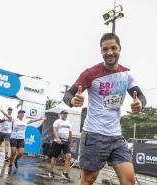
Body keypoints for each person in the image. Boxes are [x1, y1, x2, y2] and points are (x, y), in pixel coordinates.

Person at [63, 33, 147, 185]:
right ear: (101, 51)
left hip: (116, 136)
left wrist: (140, 104)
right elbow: (68, 94)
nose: (109, 52)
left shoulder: (126, 74)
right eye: (105, 49)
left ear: (120, 49)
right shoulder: (90, 73)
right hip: (94, 135)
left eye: (113, 48)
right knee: (89, 179)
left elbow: (141, 96)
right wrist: (73, 100)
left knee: (129, 180)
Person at [8, 109, 45, 174]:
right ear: (18, 114)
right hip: (13, 138)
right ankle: (10, 164)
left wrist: (40, 118)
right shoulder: (14, 119)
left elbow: (32, 120)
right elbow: (8, 116)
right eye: (21, 113)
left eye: (23, 113)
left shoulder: (25, 120)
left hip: (21, 139)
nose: (22, 114)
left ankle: (15, 161)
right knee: (13, 153)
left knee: (21, 153)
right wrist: (1, 110)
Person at [48, 110, 72, 180]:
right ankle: (51, 171)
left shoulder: (68, 123)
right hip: (58, 141)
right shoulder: (57, 121)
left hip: (65, 142)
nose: (65, 115)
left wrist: (70, 141)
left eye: (66, 114)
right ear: (61, 114)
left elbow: (70, 132)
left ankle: (65, 173)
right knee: (55, 157)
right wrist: (57, 138)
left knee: (69, 157)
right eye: (64, 114)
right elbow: (54, 130)